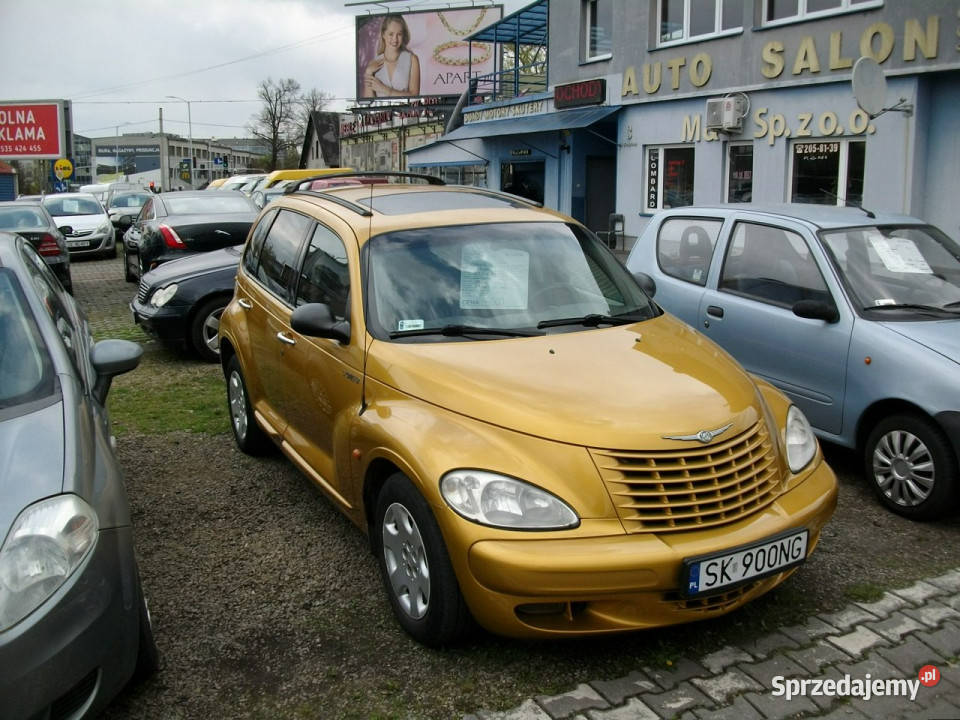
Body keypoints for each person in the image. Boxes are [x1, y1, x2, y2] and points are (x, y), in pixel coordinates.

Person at [363, 14, 421, 97]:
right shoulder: (373, 64)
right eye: (391, 34)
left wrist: (384, 89)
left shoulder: (412, 60)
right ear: (383, 34)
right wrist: (368, 72)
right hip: (381, 110)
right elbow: (368, 103)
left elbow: (414, 96)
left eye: (399, 34)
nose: (395, 39)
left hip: (406, 110)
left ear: (403, 35)